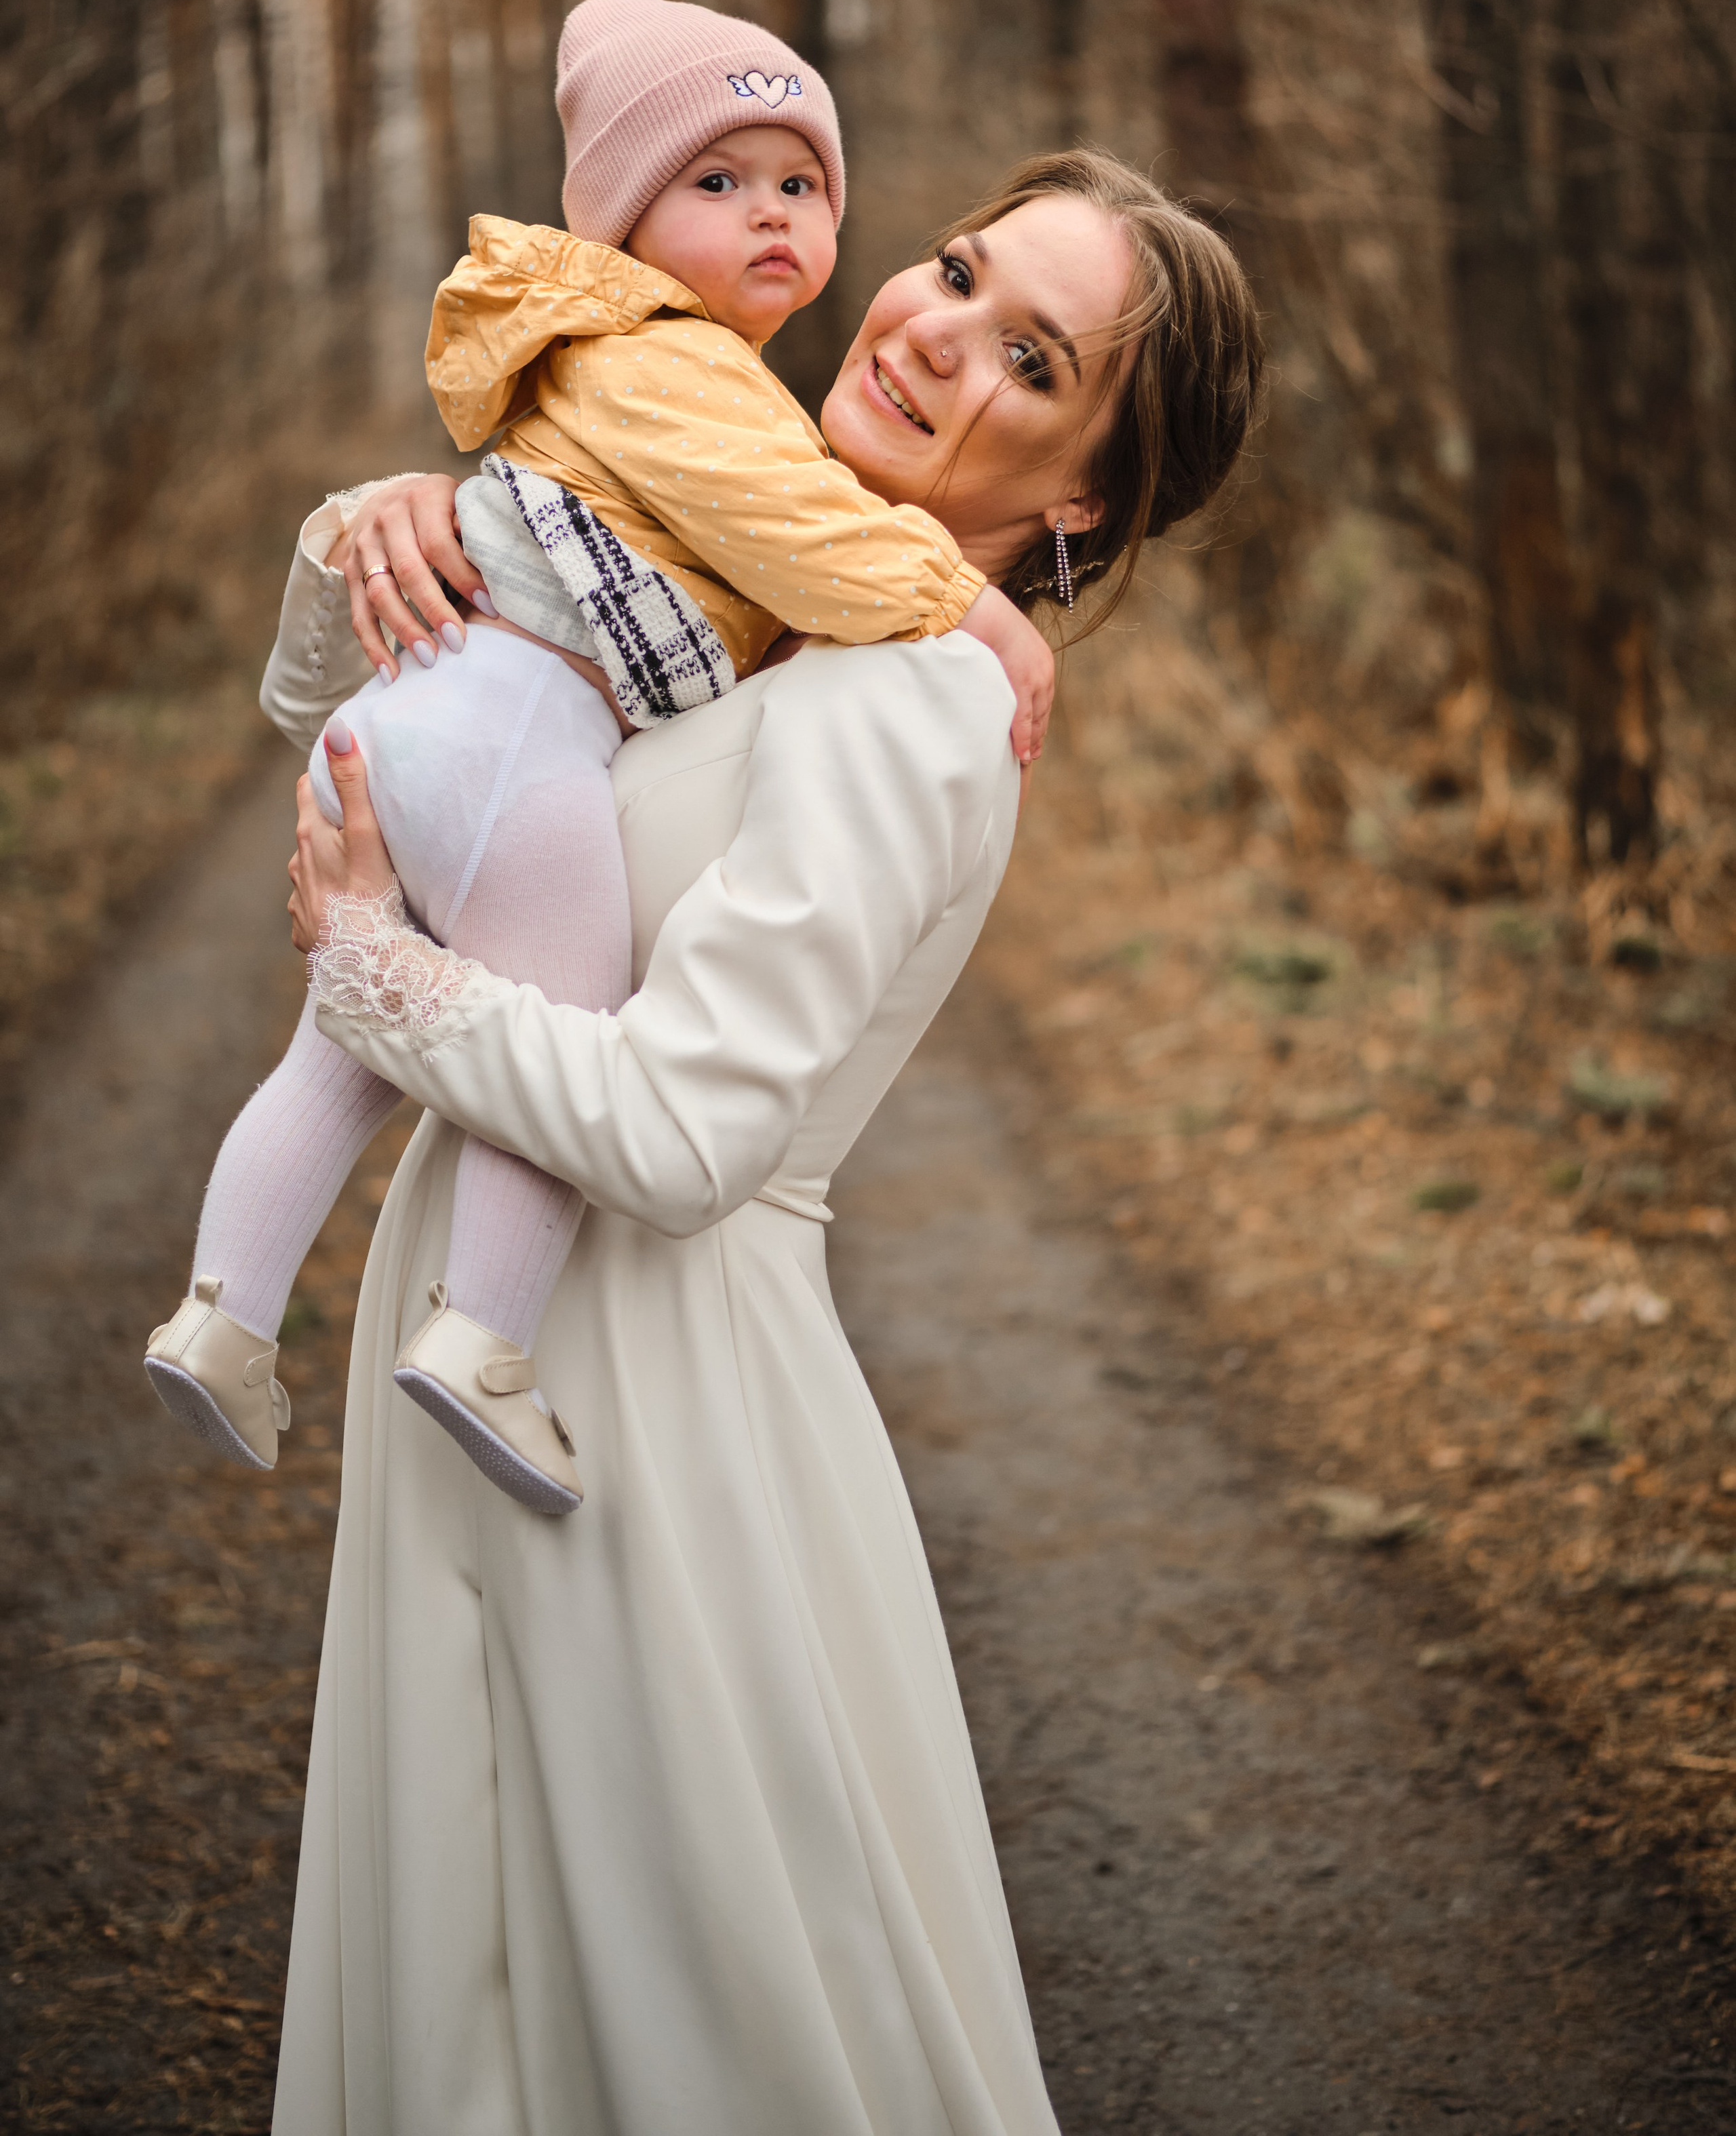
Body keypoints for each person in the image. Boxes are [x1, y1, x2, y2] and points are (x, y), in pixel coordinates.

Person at [268, 145, 1262, 2135]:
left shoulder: (909, 700)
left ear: (1081, 495)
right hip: (529, 1350)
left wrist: (378, 977)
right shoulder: (741, 588)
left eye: (1034, 359)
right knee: (503, 1968)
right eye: (959, 272)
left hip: (646, 1396)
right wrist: (378, 533)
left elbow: (684, 1134)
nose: (936, 333)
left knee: (671, 2007)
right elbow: (353, 722)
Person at [143, 0, 1051, 1518]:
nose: (771, 214)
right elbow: (797, 534)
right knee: (554, 1005)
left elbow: (742, 575)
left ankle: (220, 1318)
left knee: (335, 1057)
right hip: (508, 739)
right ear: (624, 220)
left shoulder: (660, 392)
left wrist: (381, 962)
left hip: (443, 736)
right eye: (719, 182)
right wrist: (387, 522)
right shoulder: (686, 378)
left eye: (801, 184)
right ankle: (482, 1337)